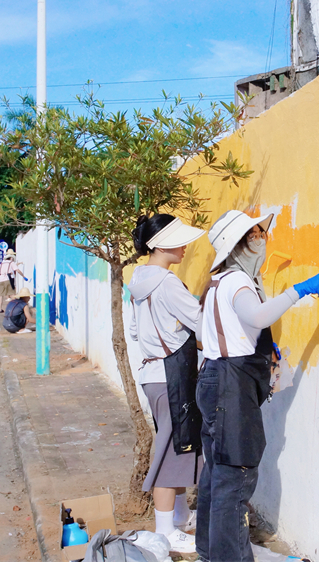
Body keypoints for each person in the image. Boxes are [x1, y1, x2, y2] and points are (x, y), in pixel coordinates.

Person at [195, 210, 319, 562]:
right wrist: (298, 291)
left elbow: (226, 328)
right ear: (237, 246)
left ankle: (210, 553)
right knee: (235, 478)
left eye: (260, 231)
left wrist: (256, 342)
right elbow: (256, 316)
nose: (261, 238)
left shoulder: (218, 283)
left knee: (218, 474)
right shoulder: (238, 282)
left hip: (215, 379)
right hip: (230, 387)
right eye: (253, 234)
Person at [128, 214, 207, 555]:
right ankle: (165, 532)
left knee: (177, 446)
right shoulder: (167, 282)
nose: (186, 246)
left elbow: (134, 332)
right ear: (160, 245)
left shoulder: (139, 280)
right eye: (180, 240)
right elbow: (202, 321)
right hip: (171, 375)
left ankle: (179, 517)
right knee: (170, 454)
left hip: (152, 375)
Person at [0, 249, 28, 313]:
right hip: (8, 280)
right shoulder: (11, 263)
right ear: (11, 257)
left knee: (0, 295)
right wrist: (24, 276)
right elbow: (17, 270)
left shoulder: (2, 263)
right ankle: (13, 308)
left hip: (1, 280)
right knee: (12, 294)